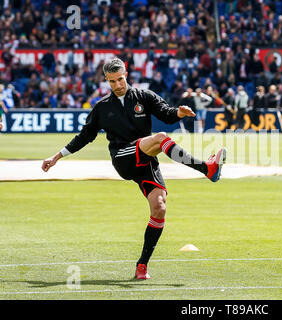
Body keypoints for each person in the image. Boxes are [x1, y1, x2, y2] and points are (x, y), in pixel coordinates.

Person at [41, 58, 227, 280]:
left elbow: (165, 112)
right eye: (112, 81)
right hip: (123, 158)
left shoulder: (143, 97)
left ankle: (142, 266)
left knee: (159, 208)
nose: (117, 85)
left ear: (126, 74)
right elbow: (84, 137)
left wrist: (179, 112)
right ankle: (207, 169)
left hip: (145, 160)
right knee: (161, 138)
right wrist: (56, 156)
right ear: (106, 81)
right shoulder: (102, 108)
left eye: (120, 79)